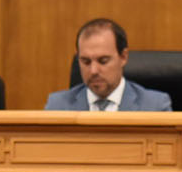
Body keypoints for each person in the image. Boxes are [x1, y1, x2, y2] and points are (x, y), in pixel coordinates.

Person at [44, 18, 172, 111]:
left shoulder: (155, 106)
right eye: (86, 61)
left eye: (103, 61)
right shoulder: (58, 106)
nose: (93, 70)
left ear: (123, 57)